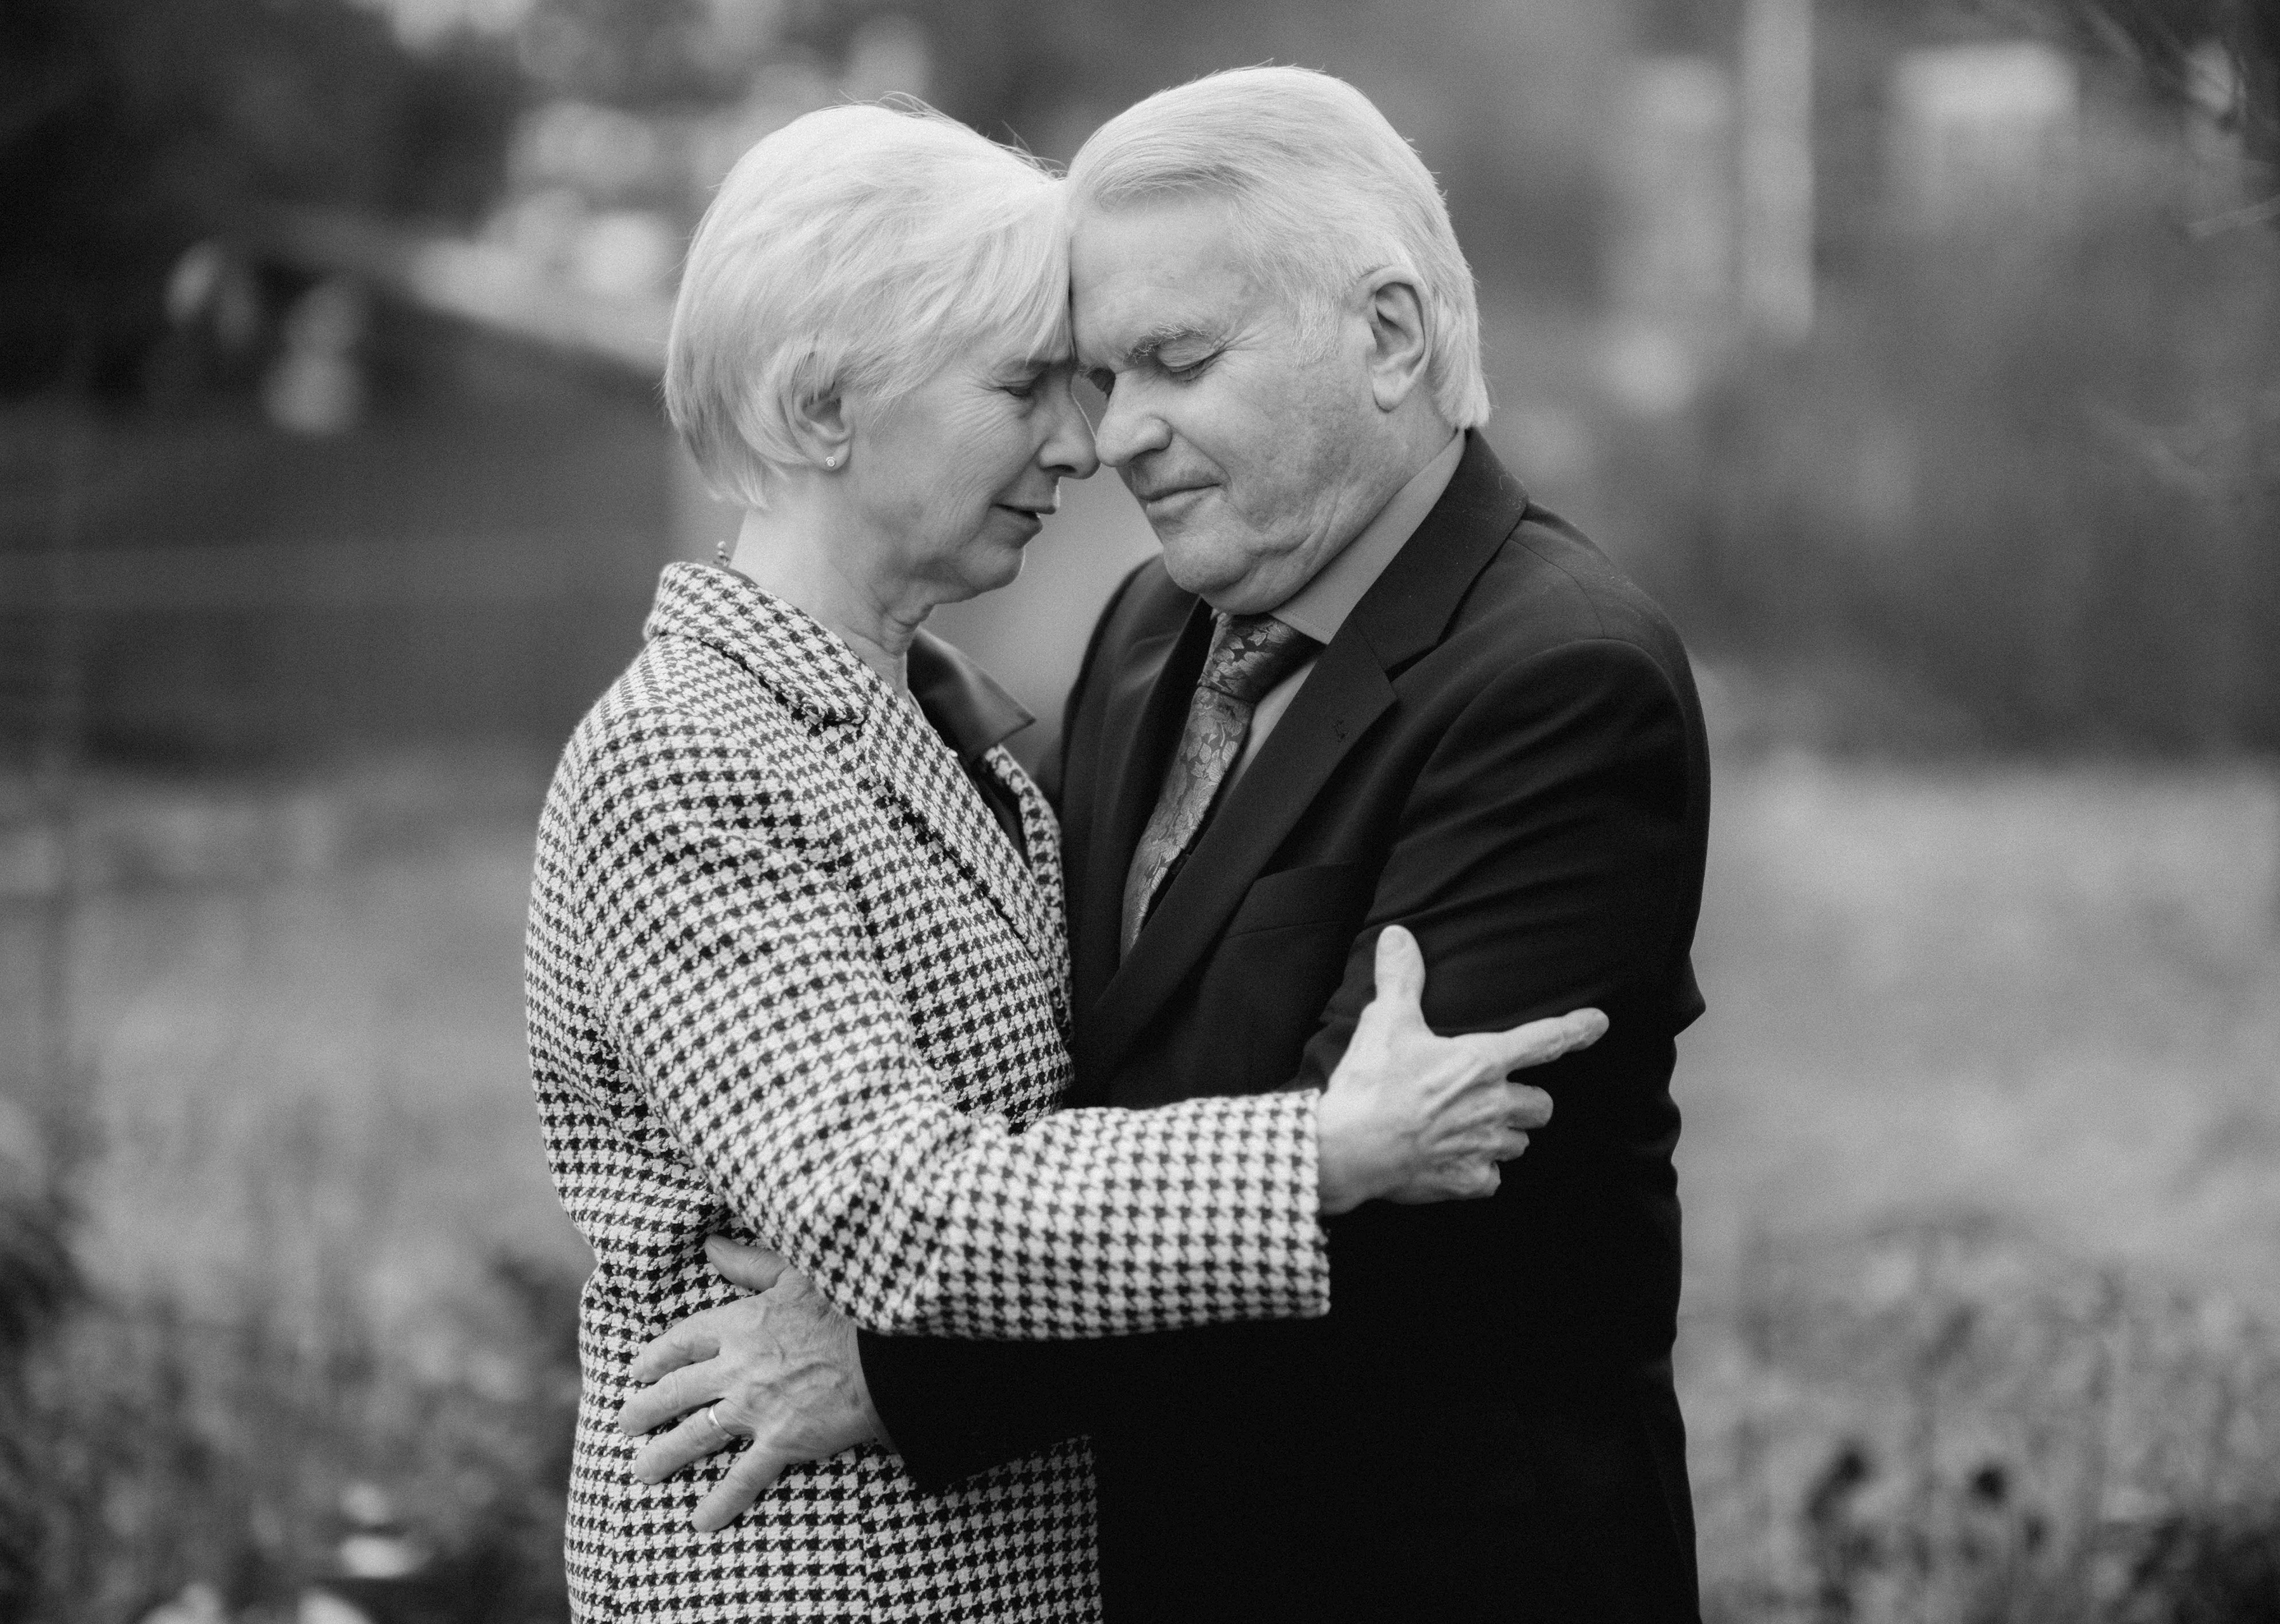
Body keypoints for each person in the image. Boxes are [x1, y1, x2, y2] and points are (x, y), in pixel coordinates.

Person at [623, 68, 1713, 1623]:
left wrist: (902, 1370)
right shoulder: (1153, 627)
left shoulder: (1561, 681)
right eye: (1089, 373)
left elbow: (1404, 1228)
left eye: (1176, 362)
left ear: (1390, 336)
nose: (1116, 434)